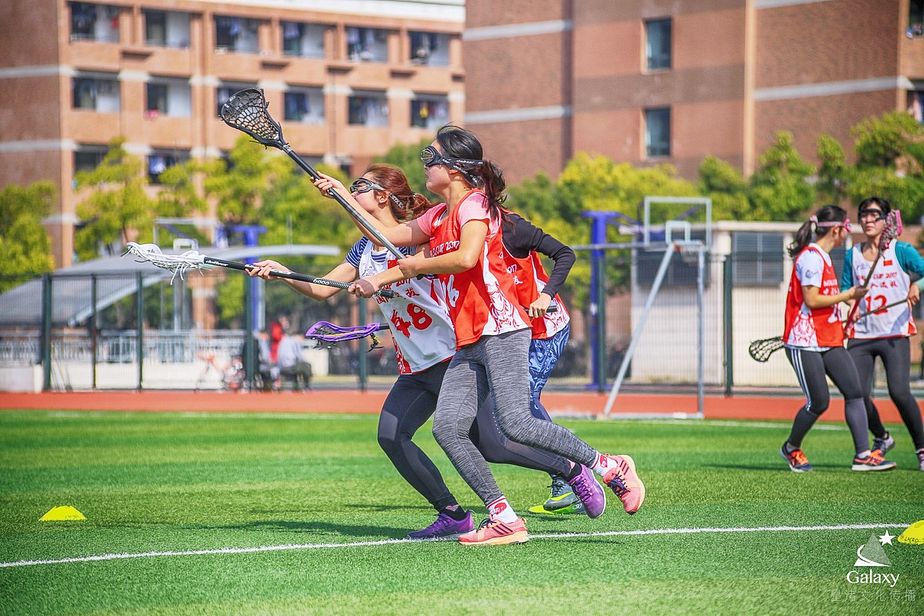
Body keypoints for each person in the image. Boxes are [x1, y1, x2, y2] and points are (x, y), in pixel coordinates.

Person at [338, 125, 645, 546]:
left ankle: (608, 466)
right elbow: (383, 236)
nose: (424, 166)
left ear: (455, 168)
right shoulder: (438, 216)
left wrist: (409, 267)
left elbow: (466, 257)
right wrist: (339, 195)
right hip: (468, 339)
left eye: (431, 157)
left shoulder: (475, 205)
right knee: (448, 429)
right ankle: (504, 517)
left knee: (516, 423)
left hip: (502, 329)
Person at [251, 163, 584, 540]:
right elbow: (323, 289)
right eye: (353, 187)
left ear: (382, 196)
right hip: (414, 366)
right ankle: (453, 513)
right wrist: (283, 273)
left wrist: (342, 198)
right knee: (391, 435)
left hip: (452, 357)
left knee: (492, 445)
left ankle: (572, 470)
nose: (355, 191)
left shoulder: (415, 239)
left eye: (361, 186)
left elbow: (412, 255)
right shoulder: (363, 249)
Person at [779, 204, 895, 472]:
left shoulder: (825, 257)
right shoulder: (810, 258)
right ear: (836, 230)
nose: (848, 231)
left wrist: (846, 308)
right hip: (805, 342)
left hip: (828, 338)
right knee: (819, 402)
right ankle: (791, 448)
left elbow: (824, 300)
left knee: (855, 392)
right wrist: (849, 295)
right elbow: (812, 299)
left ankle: (862, 456)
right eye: (846, 227)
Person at [841, 196, 924, 471]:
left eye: (874, 214)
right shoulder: (852, 254)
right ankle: (882, 437)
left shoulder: (902, 251)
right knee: (857, 394)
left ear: (887, 220)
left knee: (899, 392)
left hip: (894, 333)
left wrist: (916, 285)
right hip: (861, 335)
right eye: (863, 214)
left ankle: (921, 449)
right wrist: (850, 304)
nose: (867, 219)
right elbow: (845, 290)